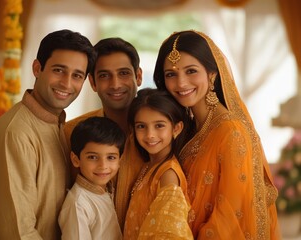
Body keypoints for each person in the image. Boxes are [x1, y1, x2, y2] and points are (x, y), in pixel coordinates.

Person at [153, 30, 280, 239]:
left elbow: (229, 215)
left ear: (212, 74)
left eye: (191, 71)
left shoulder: (231, 131)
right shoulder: (186, 128)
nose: (181, 83)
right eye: (171, 74)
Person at [0, 29, 96, 239]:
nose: (67, 83)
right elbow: (17, 232)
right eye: (59, 70)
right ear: (37, 68)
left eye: (77, 75)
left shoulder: (60, 127)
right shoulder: (15, 133)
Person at [63, 37, 144, 229]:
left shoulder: (157, 136)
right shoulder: (71, 132)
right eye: (104, 75)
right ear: (92, 82)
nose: (115, 84)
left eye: (123, 73)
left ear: (138, 76)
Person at [123, 88, 194, 240]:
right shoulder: (148, 165)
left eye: (159, 125)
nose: (150, 135)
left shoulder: (168, 174)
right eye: (141, 126)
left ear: (176, 128)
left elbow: (168, 234)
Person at [59, 116, 125, 240]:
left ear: (119, 160)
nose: (103, 166)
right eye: (93, 157)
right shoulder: (78, 204)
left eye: (111, 157)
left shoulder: (108, 190)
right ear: (76, 159)